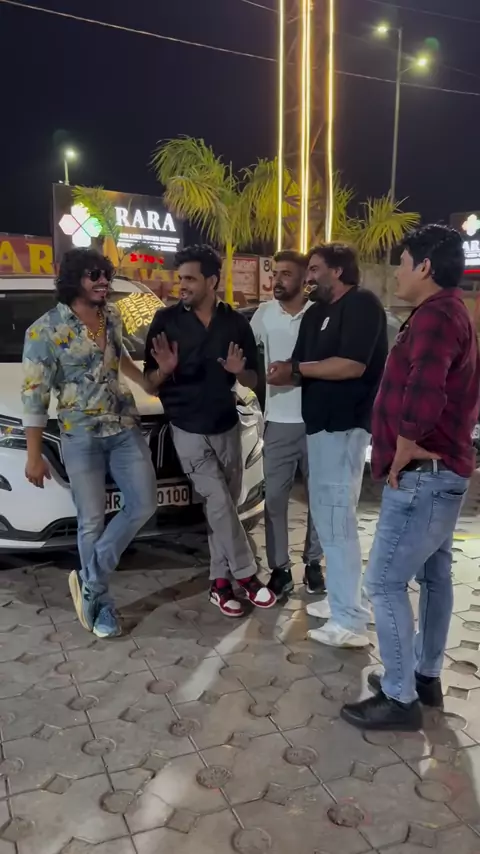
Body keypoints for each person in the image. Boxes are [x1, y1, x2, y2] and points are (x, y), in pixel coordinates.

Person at [341, 225, 480, 731]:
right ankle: (424, 677)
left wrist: (403, 446)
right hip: (443, 472)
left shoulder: (437, 315)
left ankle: (400, 698)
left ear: (424, 266)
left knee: (382, 581)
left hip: (424, 476)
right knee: (435, 576)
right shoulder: (451, 312)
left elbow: (425, 386)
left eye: (401, 263)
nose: (396, 273)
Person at [21, 248, 157, 639]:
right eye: (94, 274)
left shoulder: (111, 316)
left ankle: (89, 578)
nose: (103, 281)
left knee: (144, 503)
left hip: (123, 426)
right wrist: (34, 455)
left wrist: (150, 381)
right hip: (80, 435)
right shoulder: (43, 331)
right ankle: (101, 604)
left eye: (106, 274)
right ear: (74, 279)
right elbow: (34, 398)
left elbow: (119, 358)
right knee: (92, 520)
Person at [143, 244, 276, 616]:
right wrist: (165, 369)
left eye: (190, 278)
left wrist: (239, 372)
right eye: (180, 277)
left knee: (223, 510)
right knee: (217, 501)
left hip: (226, 425)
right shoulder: (165, 321)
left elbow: (254, 379)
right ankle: (247, 575)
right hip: (186, 427)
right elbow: (149, 384)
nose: (181, 285)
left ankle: (219, 585)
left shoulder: (235, 324)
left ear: (212, 281)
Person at [268, 243, 388, 647]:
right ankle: (342, 599)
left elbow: (352, 365)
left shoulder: (362, 305)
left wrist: (297, 368)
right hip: (317, 427)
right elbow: (300, 367)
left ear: (337, 271)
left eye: (315, 269)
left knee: (337, 521)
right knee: (327, 517)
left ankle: (350, 621)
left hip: (345, 427)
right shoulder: (315, 313)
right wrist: (283, 372)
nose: (309, 277)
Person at [251, 250, 324, 598]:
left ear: (304, 278)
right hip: (278, 422)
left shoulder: (320, 314)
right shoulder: (264, 314)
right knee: (275, 501)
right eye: (275, 273)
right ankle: (280, 570)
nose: (277, 280)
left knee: (319, 500)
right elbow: (246, 357)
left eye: (285, 274)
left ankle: (314, 564)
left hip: (317, 422)